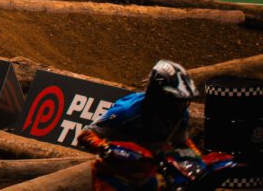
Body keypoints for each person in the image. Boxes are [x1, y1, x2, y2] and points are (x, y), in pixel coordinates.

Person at [79, 60, 200, 191]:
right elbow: (86, 134)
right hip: (114, 175)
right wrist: (105, 148)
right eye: (175, 101)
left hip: (148, 176)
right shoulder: (127, 111)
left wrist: (199, 160)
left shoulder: (180, 116)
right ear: (159, 95)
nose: (179, 107)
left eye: (182, 102)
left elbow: (181, 142)